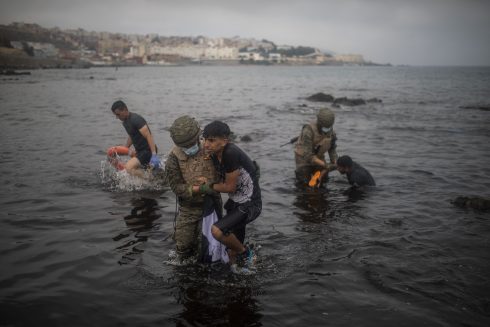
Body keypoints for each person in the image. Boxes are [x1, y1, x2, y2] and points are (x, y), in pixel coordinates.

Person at [200, 121, 261, 270]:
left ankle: (246, 253)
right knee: (231, 254)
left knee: (217, 231)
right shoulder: (215, 153)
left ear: (225, 141)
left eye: (211, 140)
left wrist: (207, 186)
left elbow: (230, 187)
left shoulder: (230, 153)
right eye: (205, 139)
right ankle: (239, 270)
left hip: (250, 204)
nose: (206, 144)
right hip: (236, 203)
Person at [165, 115, 223, 262]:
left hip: (212, 206)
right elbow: (176, 187)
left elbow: (226, 172)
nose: (190, 148)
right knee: (183, 247)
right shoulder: (173, 158)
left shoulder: (211, 148)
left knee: (208, 248)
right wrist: (199, 189)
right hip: (188, 209)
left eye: (192, 143)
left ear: (198, 136)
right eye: (186, 146)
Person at [110, 100, 160, 177]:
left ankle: (149, 179)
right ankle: (150, 175)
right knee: (134, 169)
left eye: (118, 114)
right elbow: (132, 135)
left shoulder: (135, 119)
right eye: (115, 115)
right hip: (140, 152)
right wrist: (125, 149)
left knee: (128, 168)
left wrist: (154, 154)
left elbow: (148, 135)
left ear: (125, 109)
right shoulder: (125, 121)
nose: (117, 117)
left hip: (147, 151)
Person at [294, 107, 338, 187]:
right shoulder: (308, 130)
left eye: (329, 127)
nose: (327, 129)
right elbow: (308, 155)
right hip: (303, 158)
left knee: (323, 181)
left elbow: (332, 149)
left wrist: (335, 162)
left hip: (319, 156)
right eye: (325, 127)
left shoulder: (331, 132)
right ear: (319, 123)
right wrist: (325, 165)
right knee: (303, 183)